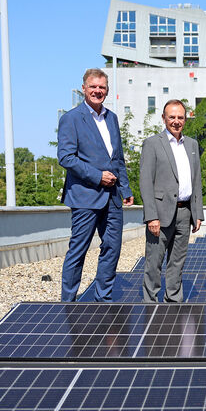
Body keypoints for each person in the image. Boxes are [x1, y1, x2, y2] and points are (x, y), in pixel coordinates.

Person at [58, 68, 134, 302]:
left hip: (112, 197)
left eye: (102, 87)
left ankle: (104, 299)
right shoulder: (71, 119)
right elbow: (66, 157)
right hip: (85, 196)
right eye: (93, 87)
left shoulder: (112, 118)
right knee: (78, 251)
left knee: (112, 248)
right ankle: (68, 302)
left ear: (107, 90)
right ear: (84, 88)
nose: (97, 91)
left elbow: (117, 157)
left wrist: (126, 188)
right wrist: (97, 176)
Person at [139, 99, 204, 302]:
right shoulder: (152, 144)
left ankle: (173, 303)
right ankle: (150, 304)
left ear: (185, 119)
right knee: (153, 263)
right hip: (160, 214)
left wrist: (198, 212)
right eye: (172, 117)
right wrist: (151, 216)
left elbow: (196, 180)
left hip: (184, 213)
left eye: (180, 117)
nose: (176, 121)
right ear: (164, 118)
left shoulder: (192, 145)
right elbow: (145, 182)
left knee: (177, 263)